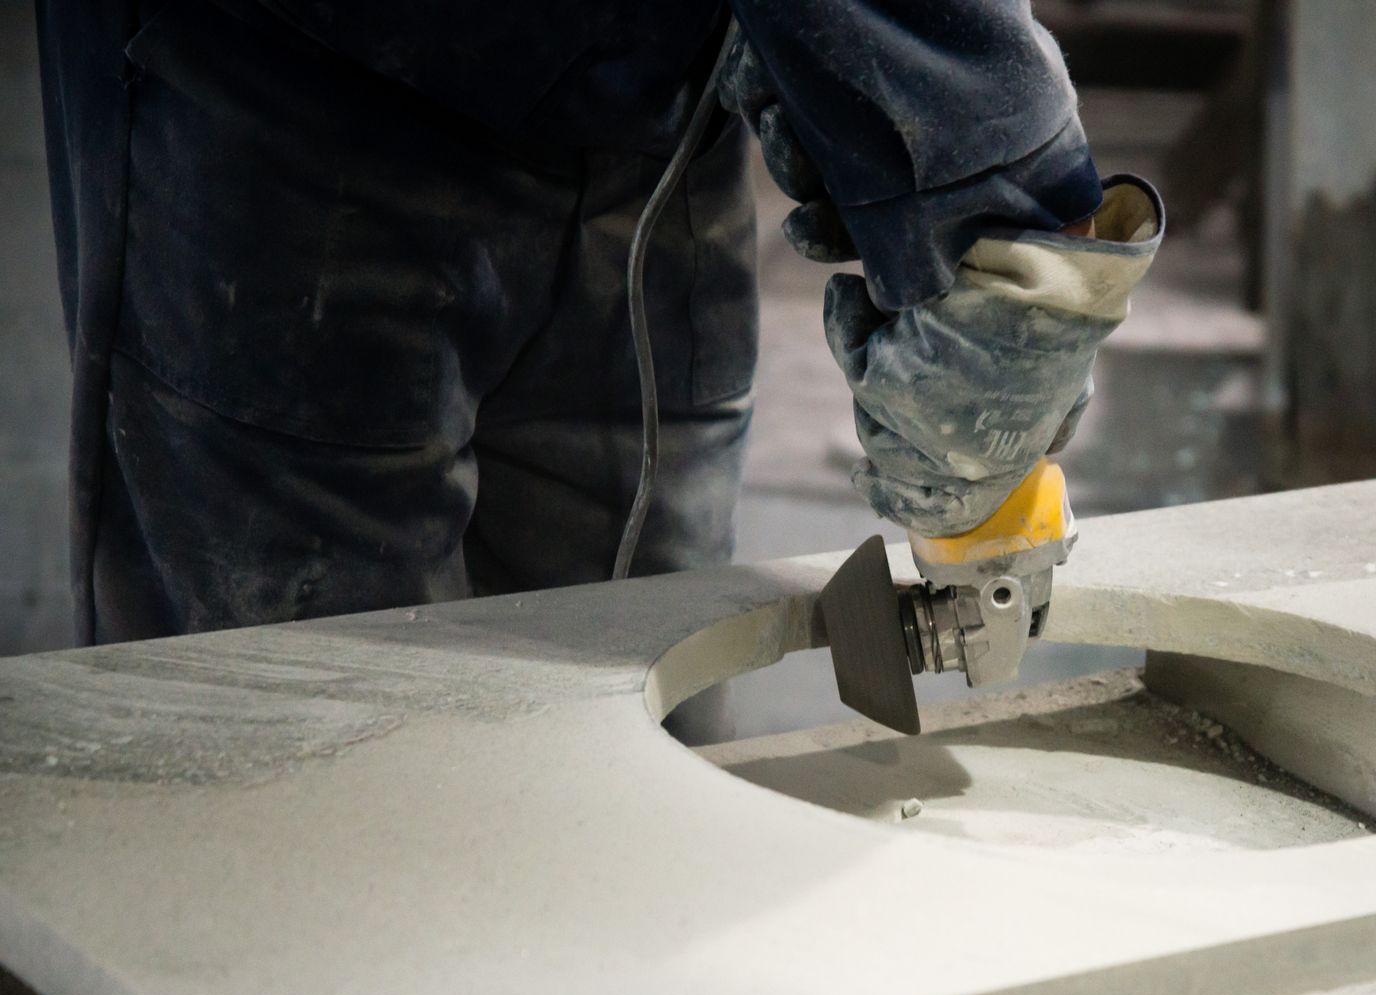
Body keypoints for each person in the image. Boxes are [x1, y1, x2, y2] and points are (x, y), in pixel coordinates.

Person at [34, 2, 1163, 657]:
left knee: (638, 707)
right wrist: (1001, 194)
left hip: (645, 102)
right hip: (278, 61)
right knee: (297, 728)